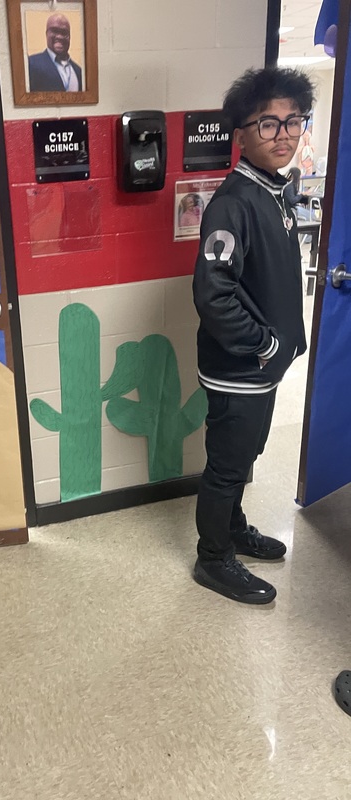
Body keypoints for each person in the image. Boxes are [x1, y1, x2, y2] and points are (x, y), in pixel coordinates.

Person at [192, 67, 315, 604]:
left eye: (293, 121)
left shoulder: (274, 191)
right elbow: (213, 294)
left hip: (263, 367)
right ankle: (213, 558)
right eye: (268, 123)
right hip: (240, 367)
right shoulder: (234, 202)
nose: (283, 134)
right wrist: (263, 345)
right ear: (240, 135)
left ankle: (234, 528)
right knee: (226, 466)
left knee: (246, 456)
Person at [28, 13, 83, 93]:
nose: (59, 37)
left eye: (64, 32)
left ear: (69, 37)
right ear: (46, 34)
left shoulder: (79, 71)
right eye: (54, 31)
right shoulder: (31, 64)